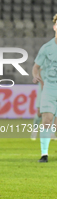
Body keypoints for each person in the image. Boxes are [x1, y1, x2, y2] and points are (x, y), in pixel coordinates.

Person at [32, 13, 57, 163]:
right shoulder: (47, 48)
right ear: (54, 27)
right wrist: (36, 76)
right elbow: (36, 67)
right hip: (50, 88)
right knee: (46, 120)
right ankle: (44, 154)